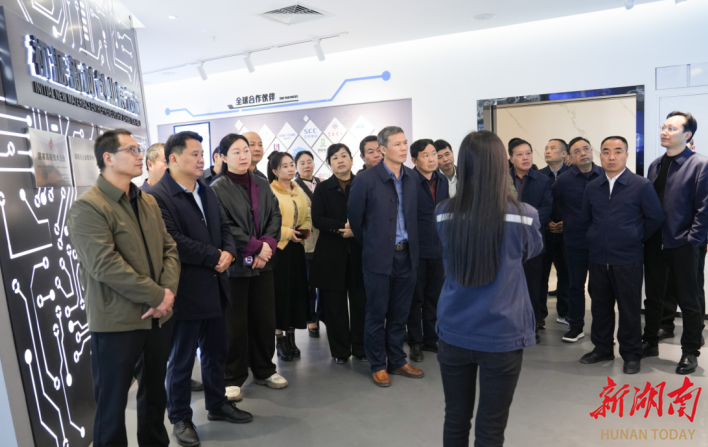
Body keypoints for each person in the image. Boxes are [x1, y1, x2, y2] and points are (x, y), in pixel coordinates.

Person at [67, 129, 180, 447]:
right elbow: (105, 266)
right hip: (117, 323)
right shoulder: (88, 207)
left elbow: (169, 249)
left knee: (155, 396)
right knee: (112, 408)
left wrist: (167, 292)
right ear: (108, 158)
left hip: (158, 317)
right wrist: (157, 295)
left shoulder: (147, 201)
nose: (139, 155)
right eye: (131, 150)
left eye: (139, 149)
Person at [436, 130, 542, 447]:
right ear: (501, 165)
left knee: (455, 418)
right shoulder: (524, 216)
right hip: (502, 333)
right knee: (491, 428)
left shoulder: (443, 213)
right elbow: (530, 252)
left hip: (454, 329)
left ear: (464, 165)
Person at [149, 131, 253, 446]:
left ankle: (217, 403)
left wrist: (229, 252)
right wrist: (214, 256)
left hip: (216, 285)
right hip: (185, 290)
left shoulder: (205, 189)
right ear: (173, 159)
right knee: (182, 359)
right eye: (194, 154)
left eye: (202, 153)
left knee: (215, 351)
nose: (201, 159)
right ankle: (180, 417)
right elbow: (173, 241)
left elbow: (223, 227)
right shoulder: (159, 196)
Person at [578, 136, 664, 375]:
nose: (611, 156)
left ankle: (632, 354)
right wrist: (595, 237)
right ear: (600, 156)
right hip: (598, 258)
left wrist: (635, 237)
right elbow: (586, 218)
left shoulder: (641, 185)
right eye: (606, 152)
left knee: (629, 310)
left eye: (617, 151)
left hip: (628, 259)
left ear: (626, 155)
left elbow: (655, 217)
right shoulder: (592, 187)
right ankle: (602, 348)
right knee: (600, 307)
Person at [211, 134, 288, 394]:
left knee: (264, 320)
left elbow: (275, 215)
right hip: (236, 268)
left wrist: (266, 246)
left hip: (263, 264)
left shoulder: (261, 183)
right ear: (223, 157)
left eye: (246, 150)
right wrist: (255, 247)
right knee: (234, 325)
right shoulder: (216, 188)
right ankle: (232, 378)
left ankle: (265, 369)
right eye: (236, 152)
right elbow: (224, 226)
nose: (244, 155)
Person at [349, 126, 424, 387]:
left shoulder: (412, 177)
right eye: (397, 144)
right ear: (382, 149)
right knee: (376, 313)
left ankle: (397, 360)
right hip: (379, 257)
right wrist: (375, 244)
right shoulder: (366, 180)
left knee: (400, 313)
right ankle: (378, 365)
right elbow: (356, 221)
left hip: (407, 255)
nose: (403, 148)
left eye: (405, 143)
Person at [643, 111, 707, 375]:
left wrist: (693, 240)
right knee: (654, 295)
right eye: (664, 127)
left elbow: (704, 208)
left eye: (672, 128)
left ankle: (690, 352)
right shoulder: (655, 165)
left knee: (689, 299)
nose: (664, 131)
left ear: (687, 134)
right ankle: (649, 341)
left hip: (683, 243)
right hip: (654, 241)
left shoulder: (700, 164)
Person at [310, 143, 368, 363]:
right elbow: (317, 219)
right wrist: (342, 228)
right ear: (329, 164)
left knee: (361, 304)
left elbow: (372, 214)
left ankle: (361, 349)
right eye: (335, 158)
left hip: (360, 252)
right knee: (335, 307)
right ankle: (340, 351)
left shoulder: (362, 184)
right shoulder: (323, 188)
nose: (340, 160)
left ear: (352, 160)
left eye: (344, 156)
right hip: (331, 255)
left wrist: (356, 230)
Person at [552, 137, 604, 343]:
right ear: (570, 157)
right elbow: (555, 204)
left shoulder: (604, 175)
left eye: (586, 149)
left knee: (600, 288)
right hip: (574, 241)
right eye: (577, 151)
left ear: (592, 151)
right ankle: (576, 326)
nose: (583, 153)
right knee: (575, 285)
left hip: (601, 242)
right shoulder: (563, 181)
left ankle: (602, 329)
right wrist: (564, 221)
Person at [407, 139, 449, 362]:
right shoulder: (408, 182)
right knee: (416, 299)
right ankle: (415, 342)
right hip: (416, 250)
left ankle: (431, 338)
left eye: (434, 154)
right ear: (414, 160)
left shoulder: (442, 180)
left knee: (434, 297)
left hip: (439, 248)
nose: (433, 159)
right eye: (426, 155)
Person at [269, 151, 313, 360]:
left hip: (296, 249)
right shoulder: (270, 192)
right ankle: (279, 340)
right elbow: (268, 224)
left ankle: (291, 338)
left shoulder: (298, 190)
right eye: (284, 166)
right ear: (275, 171)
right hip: (279, 249)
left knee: (296, 293)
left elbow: (306, 216)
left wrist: (305, 230)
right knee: (281, 295)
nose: (290, 169)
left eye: (291, 165)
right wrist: (288, 233)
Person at [509, 138, 552, 342]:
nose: (525, 158)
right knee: (510, 287)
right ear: (511, 158)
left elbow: (546, 208)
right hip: (508, 243)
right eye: (520, 154)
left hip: (533, 243)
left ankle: (532, 327)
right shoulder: (501, 179)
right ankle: (512, 326)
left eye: (528, 153)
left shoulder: (542, 180)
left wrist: (525, 224)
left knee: (533, 287)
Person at [540, 139, 571, 325]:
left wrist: (565, 223)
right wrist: (547, 223)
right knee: (541, 275)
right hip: (544, 232)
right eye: (546, 148)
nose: (547, 151)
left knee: (566, 274)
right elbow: (536, 203)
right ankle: (540, 315)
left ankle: (564, 312)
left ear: (564, 154)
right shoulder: (539, 175)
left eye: (552, 148)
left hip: (566, 233)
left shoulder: (572, 174)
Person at [294, 150, 322, 337]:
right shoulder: (293, 186)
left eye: (309, 162)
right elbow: (297, 212)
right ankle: (312, 319)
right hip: (307, 243)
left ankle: (324, 315)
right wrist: (316, 212)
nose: (307, 166)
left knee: (326, 284)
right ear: (296, 166)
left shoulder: (322, 183)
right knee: (309, 284)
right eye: (302, 163)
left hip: (325, 241)